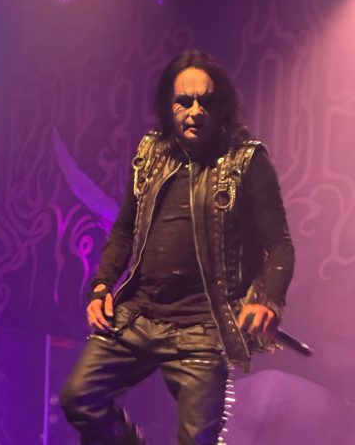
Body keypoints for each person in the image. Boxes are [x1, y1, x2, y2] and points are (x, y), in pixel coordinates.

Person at [60, 50, 295, 444]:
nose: (195, 111)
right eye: (184, 101)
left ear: (221, 107)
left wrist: (267, 299)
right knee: (79, 399)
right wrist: (101, 287)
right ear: (169, 107)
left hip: (202, 330)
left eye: (206, 101)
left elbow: (280, 246)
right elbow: (124, 231)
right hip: (139, 315)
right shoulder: (150, 154)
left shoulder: (247, 161)